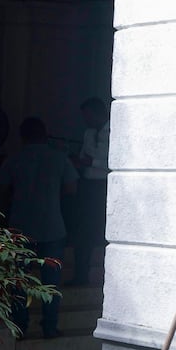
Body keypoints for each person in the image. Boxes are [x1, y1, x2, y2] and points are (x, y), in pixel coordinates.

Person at [0, 117, 78, 338]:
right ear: (45, 134)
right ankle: (49, 327)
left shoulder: (14, 159)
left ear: (22, 137)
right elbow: (71, 188)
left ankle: (20, 326)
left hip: (20, 228)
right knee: (51, 283)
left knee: (19, 282)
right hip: (53, 227)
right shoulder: (59, 158)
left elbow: (0, 191)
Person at [70, 97, 109, 285]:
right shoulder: (88, 132)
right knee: (83, 231)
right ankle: (80, 276)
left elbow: (113, 162)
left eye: (88, 115)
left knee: (101, 231)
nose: (86, 119)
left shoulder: (113, 130)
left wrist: (91, 162)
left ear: (98, 113)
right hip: (87, 183)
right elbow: (82, 156)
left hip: (104, 186)